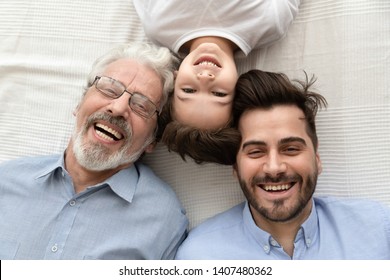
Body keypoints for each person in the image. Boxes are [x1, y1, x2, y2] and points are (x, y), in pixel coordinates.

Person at [0, 42, 188, 260]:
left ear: (152, 140)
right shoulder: (5, 182)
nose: (117, 108)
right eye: (109, 89)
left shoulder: (165, 220)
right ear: (79, 103)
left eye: (141, 106)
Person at [175, 69, 390, 259]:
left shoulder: (379, 229)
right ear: (235, 167)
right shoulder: (200, 257)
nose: (274, 167)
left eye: (291, 149)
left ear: (317, 158)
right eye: (256, 152)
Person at [133, 0, 300, 165]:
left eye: (189, 90)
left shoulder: (158, 25)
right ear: (239, 87)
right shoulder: (270, 23)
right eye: (219, 93)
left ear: (174, 79)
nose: (205, 78)